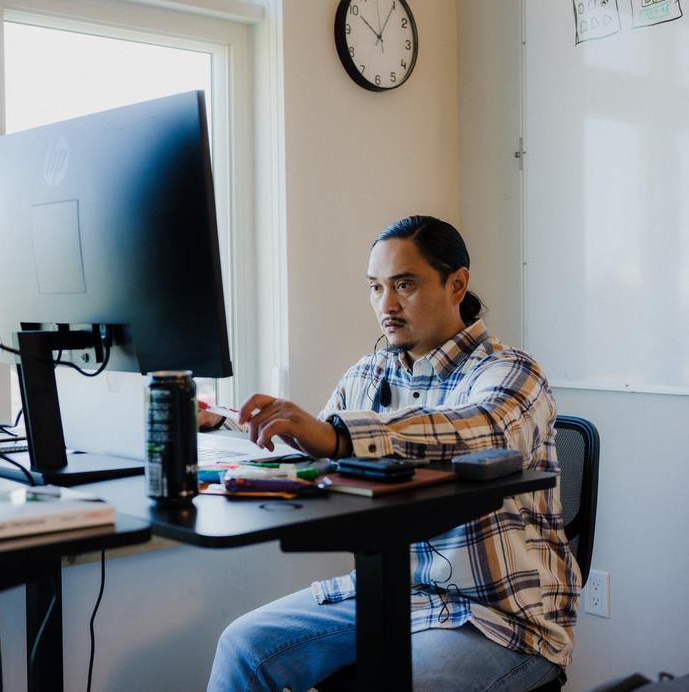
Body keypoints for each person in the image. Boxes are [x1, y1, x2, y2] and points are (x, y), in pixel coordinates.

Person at [206, 216, 580, 692]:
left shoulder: (511, 371)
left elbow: (485, 431)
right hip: (392, 594)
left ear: (457, 284)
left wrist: (337, 436)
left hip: (499, 619)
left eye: (404, 284)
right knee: (244, 647)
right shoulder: (368, 373)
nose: (386, 304)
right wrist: (230, 427)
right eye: (375, 287)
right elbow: (316, 453)